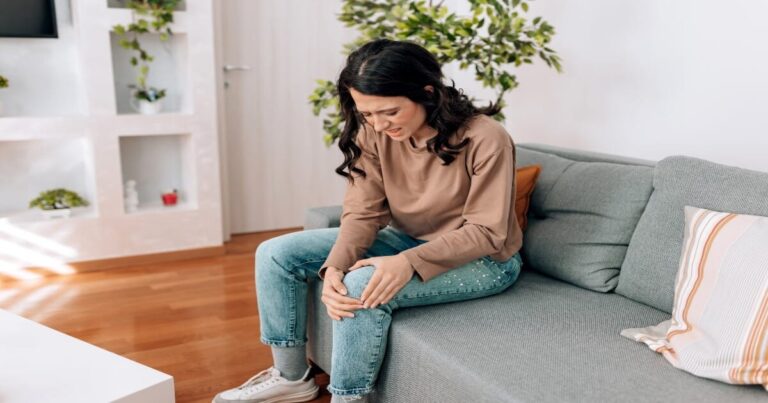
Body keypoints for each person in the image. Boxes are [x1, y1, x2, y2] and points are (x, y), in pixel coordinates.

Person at [213, 38, 524, 403]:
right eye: (367, 114)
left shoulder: (486, 137)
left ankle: (349, 399)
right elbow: (364, 211)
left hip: (483, 261)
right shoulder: (374, 133)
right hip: (408, 239)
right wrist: (334, 267)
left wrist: (406, 263)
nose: (378, 123)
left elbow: (487, 233)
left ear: (427, 92)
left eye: (389, 112)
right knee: (275, 253)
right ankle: (292, 377)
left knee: (362, 286)